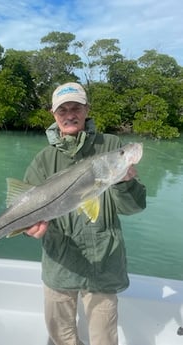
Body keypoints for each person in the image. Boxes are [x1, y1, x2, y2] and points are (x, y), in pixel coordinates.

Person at [24, 82, 146, 345]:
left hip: (103, 263)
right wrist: (28, 227)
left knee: (103, 338)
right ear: (53, 115)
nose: (70, 115)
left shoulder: (111, 145)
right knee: (61, 336)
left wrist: (125, 183)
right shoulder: (43, 159)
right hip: (60, 263)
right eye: (62, 110)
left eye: (76, 107)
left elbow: (132, 208)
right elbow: (26, 210)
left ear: (87, 109)